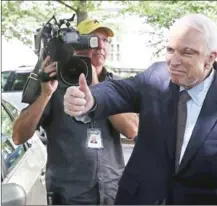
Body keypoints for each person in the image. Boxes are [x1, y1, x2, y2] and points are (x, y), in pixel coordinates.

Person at [63, 14, 217, 205]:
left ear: (210, 58)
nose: (173, 60)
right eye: (170, 49)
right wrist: (91, 99)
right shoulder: (156, 76)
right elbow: (119, 90)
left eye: (187, 52)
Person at [12, 19, 139, 205]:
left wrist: (98, 87)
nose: (101, 46)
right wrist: (45, 94)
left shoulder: (116, 84)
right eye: (94, 40)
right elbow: (18, 136)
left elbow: (132, 130)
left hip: (112, 193)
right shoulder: (55, 83)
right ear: (77, 44)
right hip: (69, 197)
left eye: (106, 40)